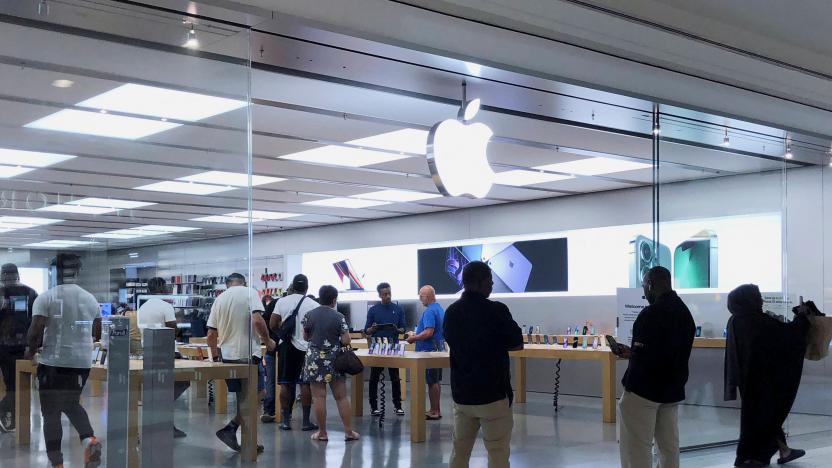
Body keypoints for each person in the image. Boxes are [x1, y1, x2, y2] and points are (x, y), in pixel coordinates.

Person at [24, 254, 103, 468]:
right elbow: (97, 332)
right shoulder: (90, 298)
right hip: (82, 362)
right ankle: (89, 439)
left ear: (54, 272)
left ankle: (57, 462)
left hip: (54, 362)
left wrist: (30, 352)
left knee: (50, 412)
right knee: (70, 403)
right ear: (76, 272)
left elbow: (35, 331)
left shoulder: (47, 297)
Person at [444, 261, 523, 468]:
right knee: (497, 453)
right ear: (482, 282)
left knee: (459, 452)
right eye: (490, 280)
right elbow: (517, 344)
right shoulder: (497, 310)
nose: (492, 285)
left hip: (462, 396)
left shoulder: (451, 312)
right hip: (493, 395)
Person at [618, 266, 695, 468]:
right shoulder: (685, 313)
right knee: (669, 447)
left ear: (650, 285)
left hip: (644, 392)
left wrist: (632, 360)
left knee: (636, 448)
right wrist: (633, 352)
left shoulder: (650, 314)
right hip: (671, 391)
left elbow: (644, 358)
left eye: (644, 286)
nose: (644, 292)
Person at [724, 284, 809, 467]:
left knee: (765, 416)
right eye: (758, 297)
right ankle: (750, 457)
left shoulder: (736, 320)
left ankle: (783, 451)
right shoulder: (757, 321)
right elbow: (788, 336)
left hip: (749, 380)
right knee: (766, 416)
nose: (761, 301)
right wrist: (801, 318)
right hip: (765, 382)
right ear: (750, 300)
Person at [207, 273, 274, 453]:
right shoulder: (250, 292)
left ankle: (245, 440)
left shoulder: (219, 299)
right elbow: (258, 320)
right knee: (259, 392)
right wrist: (268, 341)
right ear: (244, 283)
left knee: (242, 397)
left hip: (227, 357)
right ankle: (235, 430)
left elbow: (211, 335)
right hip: (248, 355)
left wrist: (214, 358)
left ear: (227, 284)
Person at [301, 285, 359, 442]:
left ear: (320, 298)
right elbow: (346, 340)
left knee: (319, 397)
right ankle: (348, 432)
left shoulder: (309, 315)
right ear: (334, 300)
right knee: (341, 397)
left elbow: (306, 337)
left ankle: (322, 433)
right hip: (334, 360)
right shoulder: (339, 316)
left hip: (314, 359)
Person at [136, 277, 189, 438]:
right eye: (165, 286)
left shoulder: (143, 307)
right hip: (167, 351)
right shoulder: (166, 306)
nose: (167, 289)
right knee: (183, 380)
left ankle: (163, 421)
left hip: (149, 350)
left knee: (159, 387)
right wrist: (180, 321)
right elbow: (173, 330)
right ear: (161, 288)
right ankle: (162, 415)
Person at [268, 274, 319, 430]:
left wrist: (282, 334)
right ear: (307, 288)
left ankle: (285, 420)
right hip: (306, 348)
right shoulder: (313, 304)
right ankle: (305, 421)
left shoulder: (281, 302)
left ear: (292, 286)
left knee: (285, 383)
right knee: (305, 384)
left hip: (286, 346)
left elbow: (272, 324)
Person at [0, 263, 38, 433]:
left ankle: (11, 420)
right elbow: (37, 323)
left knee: (13, 386)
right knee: (18, 386)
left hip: (5, 347)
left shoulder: (3, 293)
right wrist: (33, 347)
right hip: (22, 348)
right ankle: (11, 419)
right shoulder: (30, 293)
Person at [364, 282, 406, 416]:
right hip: (377, 346)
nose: (387, 296)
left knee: (395, 377)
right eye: (384, 294)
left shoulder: (398, 309)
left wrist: (396, 329)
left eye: (389, 293)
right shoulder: (373, 310)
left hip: (393, 345)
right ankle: (373, 406)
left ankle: (397, 405)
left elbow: (403, 328)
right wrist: (373, 328)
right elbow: (366, 330)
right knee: (374, 377)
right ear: (379, 295)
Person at [406, 285, 445, 420]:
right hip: (437, 350)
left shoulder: (429, 311)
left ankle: (434, 411)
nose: (420, 298)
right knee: (435, 381)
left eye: (421, 296)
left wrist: (413, 338)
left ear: (427, 296)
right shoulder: (439, 309)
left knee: (432, 381)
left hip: (428, 351)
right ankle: (436, 409)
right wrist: (416, 333)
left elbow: (429, 332)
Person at [259, 293, 279, 422]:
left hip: (271, 348)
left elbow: (264, 324)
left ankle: (269, 410)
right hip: (291, 349)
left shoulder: (274, 304)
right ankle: (284, 412)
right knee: (289, 382)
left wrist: (267, 339)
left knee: (270, 380)